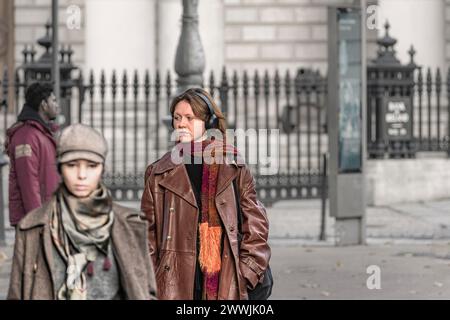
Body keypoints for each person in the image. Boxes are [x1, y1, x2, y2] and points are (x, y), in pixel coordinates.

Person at [141, 88, 270, 300]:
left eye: (190, 118)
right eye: (177, 117)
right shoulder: (158, 172)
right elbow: (147, 234)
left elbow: (256, 224)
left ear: (208, 123)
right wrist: (152, 282)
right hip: (175, 282)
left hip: (226, 278)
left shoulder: (233, 166)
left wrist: (247, 272)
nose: (181, 124)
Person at [8, 124, 157, 300]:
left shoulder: (129, 225)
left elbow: (146, 292)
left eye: (92, 166)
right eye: (72, 165)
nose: (82, 175)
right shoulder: (32, 228)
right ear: (60, 169)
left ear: (102, 169)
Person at [5, 82, 60, 227]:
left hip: (48, 215)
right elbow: (28, 183)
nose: (57, 105)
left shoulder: (44, 133)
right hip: (34, 222)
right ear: (43, 104)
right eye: (53, 101)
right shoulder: (27, 136)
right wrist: (38, 221)